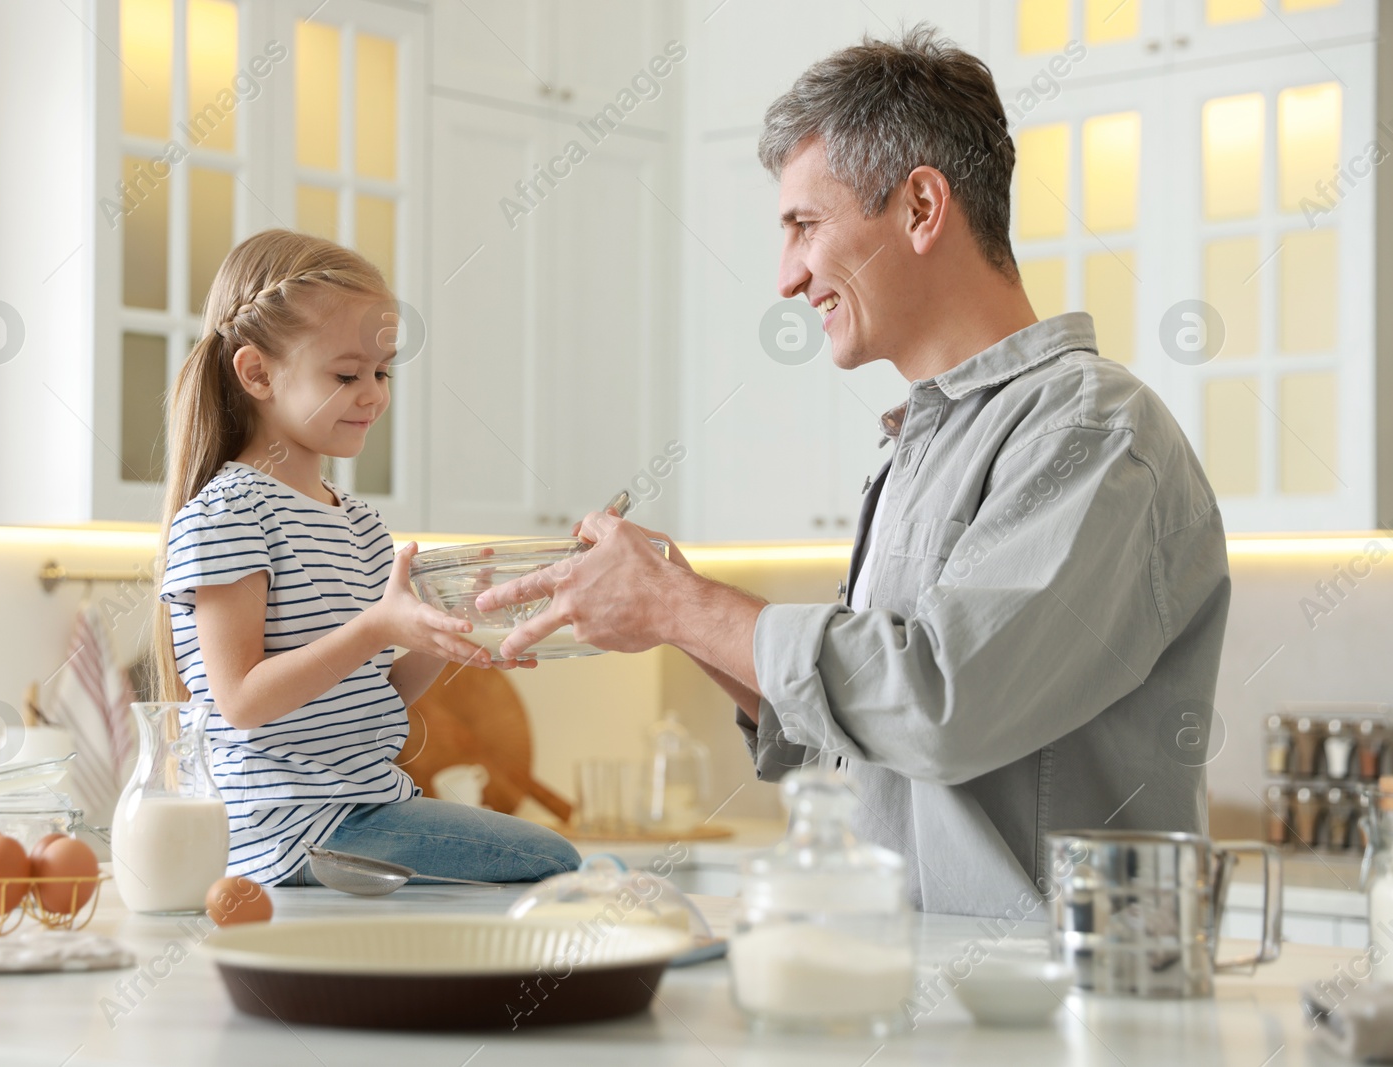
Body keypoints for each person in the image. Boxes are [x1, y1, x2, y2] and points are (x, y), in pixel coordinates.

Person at [477, 27, 1230, 918]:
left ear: (920, 208)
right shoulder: (927, 443)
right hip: (917, 1004)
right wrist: (674, 604)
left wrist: (684, 606)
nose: (787, 276)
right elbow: (867, 734)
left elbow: (942, 704)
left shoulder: (1092, 433)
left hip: (1054, 1024)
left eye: (805, 224)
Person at [152, 229, 580, 887]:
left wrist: (451, 628)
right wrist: (378, 625)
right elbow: (239, 700)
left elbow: (383, 690)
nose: (374, 394)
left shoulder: (357, 521)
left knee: (547, 865)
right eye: (347, 374)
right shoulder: (231, 511)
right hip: (291, 829)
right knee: (553, 861)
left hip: (361, 810)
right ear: (257, 372)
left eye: (381, 372)